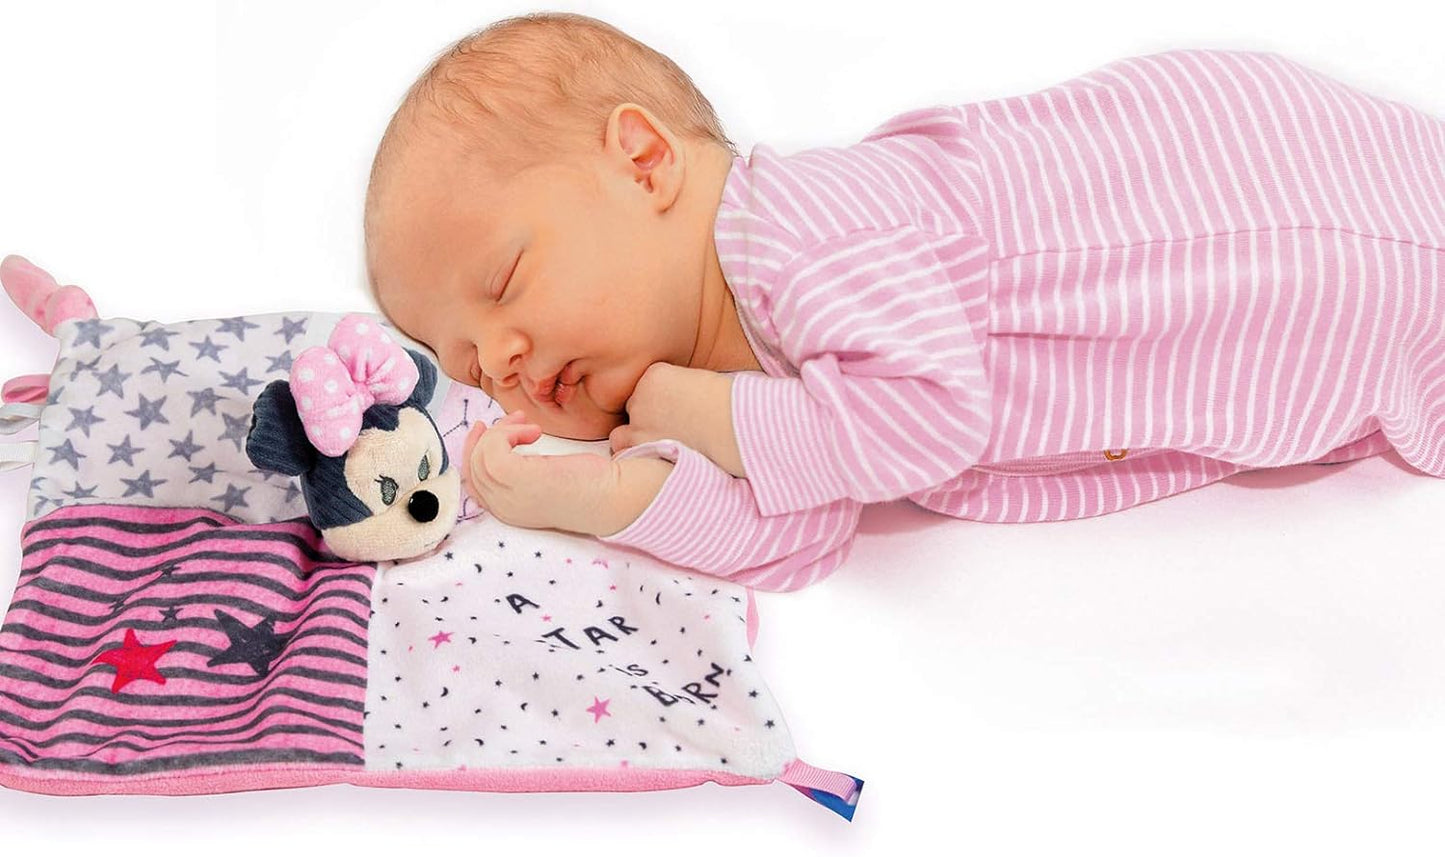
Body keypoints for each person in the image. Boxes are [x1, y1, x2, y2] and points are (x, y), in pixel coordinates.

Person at [364, 12, 1445, 592]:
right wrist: (605, 497)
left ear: (644, 161)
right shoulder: (722, 378)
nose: (502, 361)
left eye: (503, 284)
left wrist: (701, 411)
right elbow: (803, 532)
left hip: (1279, 225)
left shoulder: (799, 225)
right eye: (466, 362)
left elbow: (925, 417)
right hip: (1288, 354)